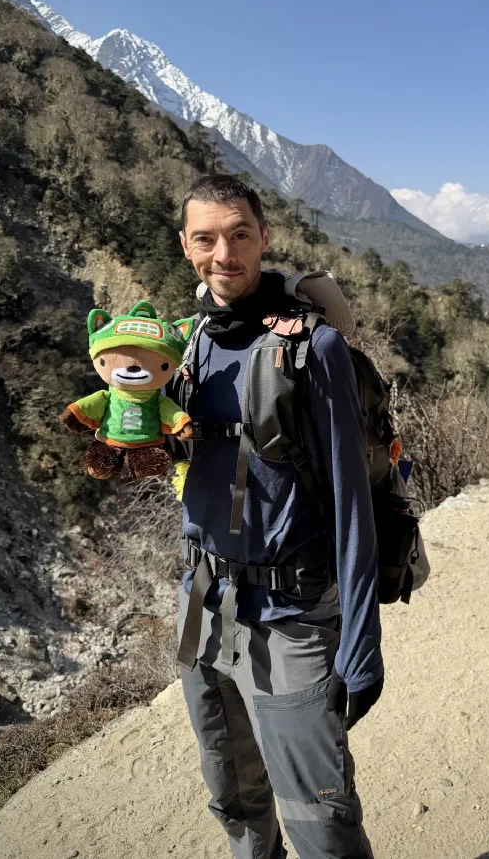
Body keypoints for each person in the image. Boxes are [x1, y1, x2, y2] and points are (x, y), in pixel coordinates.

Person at [170, 172, 383, 859]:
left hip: (293, 615)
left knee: (320, 821)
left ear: (265, 238)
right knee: (233, 794)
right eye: (205, 238)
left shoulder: (311, 349)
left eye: (239, 235)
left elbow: (354, 504)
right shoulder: (191, 342)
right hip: (204, 600)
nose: (223, 254)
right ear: (185, 245)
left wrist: (362, 642)